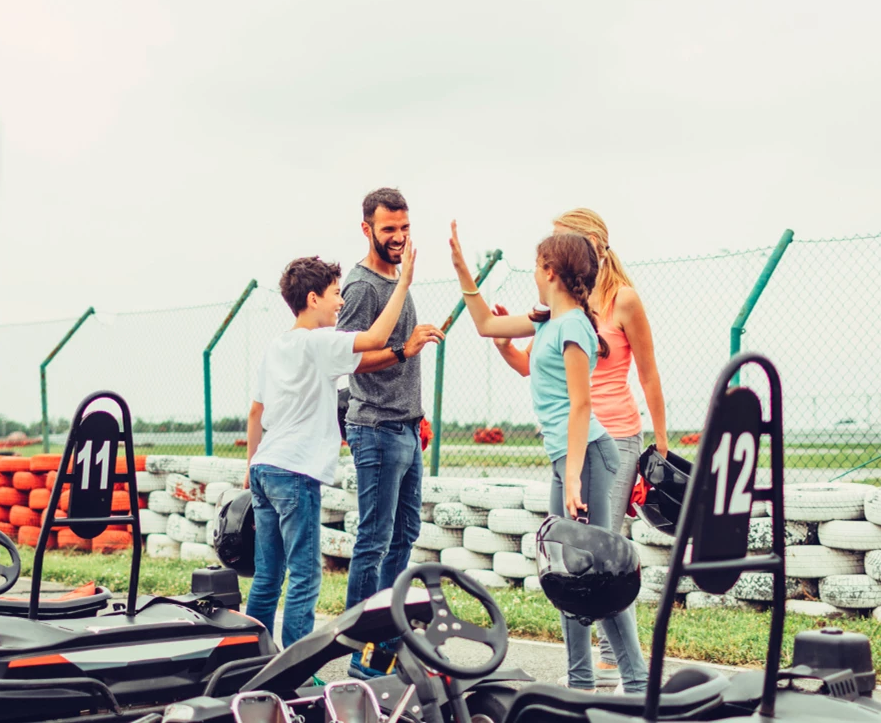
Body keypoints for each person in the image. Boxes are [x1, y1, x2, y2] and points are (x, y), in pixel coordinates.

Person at [448, 220, 648, 695]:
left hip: (590, 459)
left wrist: (574, 477)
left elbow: (582, 405)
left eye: (537, 266)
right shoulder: (548, 320)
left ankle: (637, 683)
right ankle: (580, 681)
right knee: (566, 571)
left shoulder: (575, 327)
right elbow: (486, 325)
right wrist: (461, 269)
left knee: (597, 573)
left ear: (552, 270)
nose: (533, 274)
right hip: (570, 460)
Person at [489, 207, 668, 688]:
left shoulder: (623, 300)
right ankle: (586, 675)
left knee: (598, 560)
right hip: (572, 445)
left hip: (614, 441)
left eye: (559, 242)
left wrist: (663, 442)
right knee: (570, 561)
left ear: (590, 247)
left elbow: (649, 375)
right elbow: (532, 367)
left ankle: (628, 675)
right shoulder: (561, 309)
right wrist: (506, 344)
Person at [243, 244, 416, 648]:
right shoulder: (319, 343)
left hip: (265, 467)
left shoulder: (275, 347)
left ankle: (250, 656)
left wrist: (250, 468)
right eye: (337, 293)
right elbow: (376, 336)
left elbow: (255, 413)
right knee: (305, 574)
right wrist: (403, 282)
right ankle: (294, 670)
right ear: (313, 298)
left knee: (269, 574)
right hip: (297, 472)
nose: (341, 302)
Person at [336, 187, 445, 679]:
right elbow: (351, 357)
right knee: (374, 541)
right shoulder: (361, 288)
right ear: (367, 230)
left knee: (404, 536)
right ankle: (355, 648)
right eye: (388, 229)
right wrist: (406, 348)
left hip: (405, 427)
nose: (398, 237)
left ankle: (387, 640)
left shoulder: (398, 278)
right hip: (375, 429)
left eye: (404, 227)